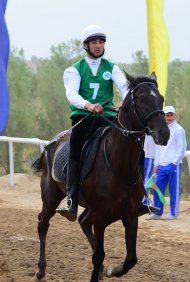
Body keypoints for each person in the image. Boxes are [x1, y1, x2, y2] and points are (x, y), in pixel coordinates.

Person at [56, 24, 158, 221]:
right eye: (94, 42)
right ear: (86, 45)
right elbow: (72, 94)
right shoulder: (74, 70)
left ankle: (142, 197)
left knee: (137, 148)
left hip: (107, 118)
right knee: (75, 149)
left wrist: (126, 102)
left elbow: (125, 87)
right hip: (83, 118)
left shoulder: (112, 67)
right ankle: (70, 198)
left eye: (101, 42)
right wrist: (88, 105)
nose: (98, 45)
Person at [148, 105, 187, 220]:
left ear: (174, 115)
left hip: (174, 165)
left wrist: (174, 163)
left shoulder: (179, 130)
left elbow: (181, 148)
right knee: (157, 187)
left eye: (171, 114)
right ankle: (158, 212)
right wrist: (156, 164)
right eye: (167, 115)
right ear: (163, 116)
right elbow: (158, 148)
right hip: (161, 165)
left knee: (173, 189)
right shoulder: (160, 130)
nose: (169, 117)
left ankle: (173, 213)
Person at [143, 135, 156, 204]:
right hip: (144, 155)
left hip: (150, 156)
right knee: (144, 178)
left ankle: (144, 200)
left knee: (147, 179)